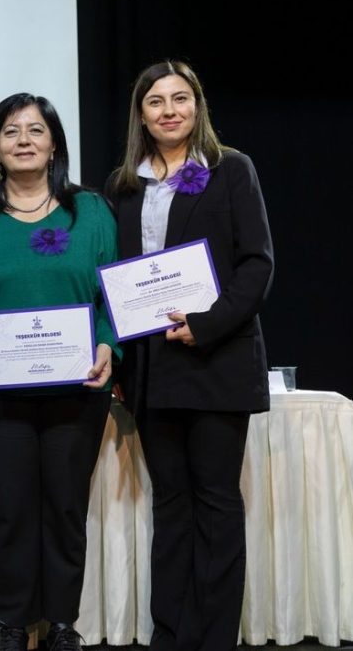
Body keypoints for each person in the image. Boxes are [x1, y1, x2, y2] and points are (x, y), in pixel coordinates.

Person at [104, 60, 273, 651]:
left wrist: (207, 326)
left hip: (216, 361)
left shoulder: (230, 169)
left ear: (197, 105)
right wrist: (120, 361)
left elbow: (257, 265)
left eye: (180, 98)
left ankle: (215, 638)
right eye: (156, 101)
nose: (169, 110)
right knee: (171, 505)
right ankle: (171, 635)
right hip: (151, 370)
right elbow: (117, 277)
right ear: (141, 114)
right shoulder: (123, 185)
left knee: (217, 503)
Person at [0, 93, 117, 651]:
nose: (23, 140)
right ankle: (12, 623)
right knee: (8, 511)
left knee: (66, 507)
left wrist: (108, 346)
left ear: (54, 145)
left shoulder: (91, 211)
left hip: (78, 386)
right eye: (10, 131)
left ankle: (62, 623)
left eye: (35, 130)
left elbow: (112, 294)